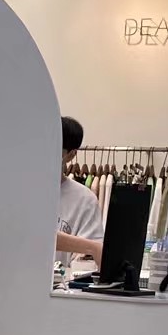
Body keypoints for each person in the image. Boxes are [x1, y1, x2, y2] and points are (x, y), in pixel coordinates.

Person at [56, 115, 103, 270]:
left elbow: (86, 259)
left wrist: (91, 248)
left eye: (55, 147)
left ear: (71, 155)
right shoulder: (21, 192)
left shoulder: (85, 199)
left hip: (60, 283)